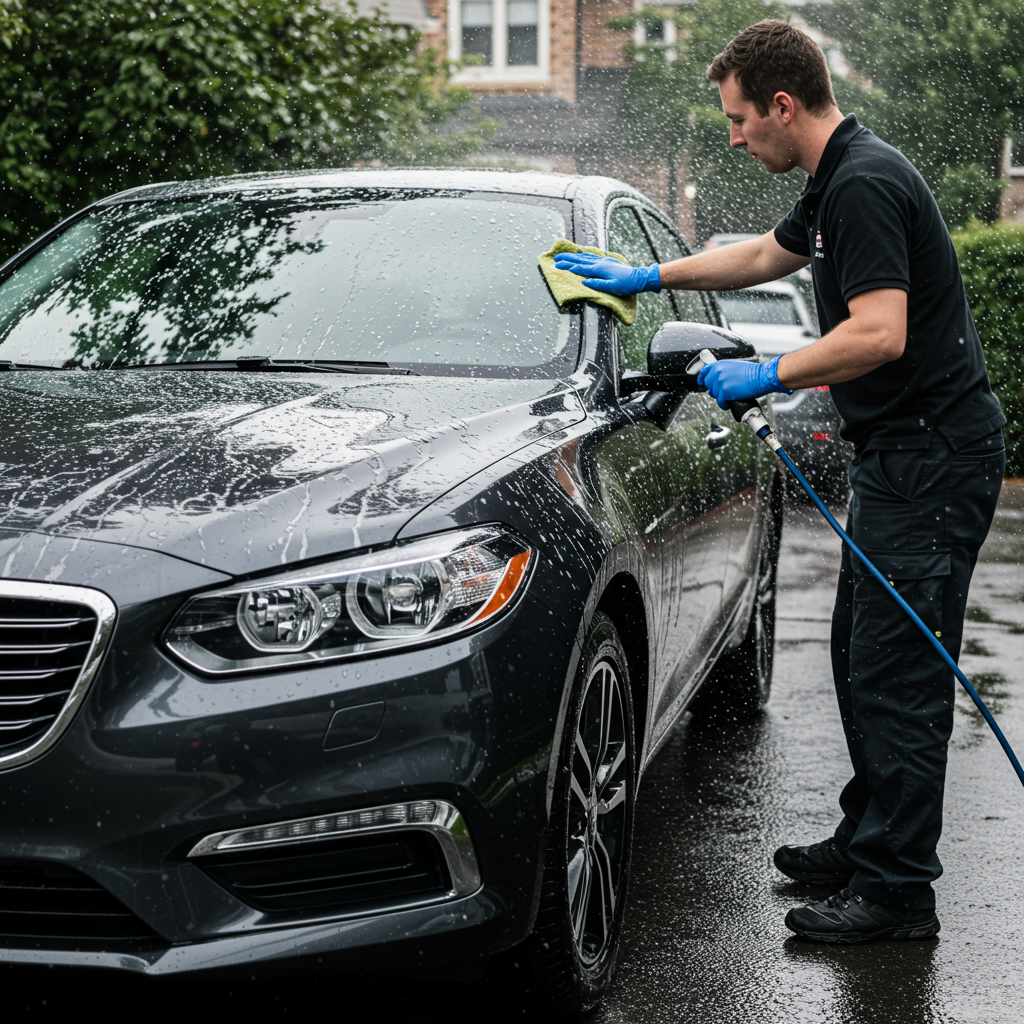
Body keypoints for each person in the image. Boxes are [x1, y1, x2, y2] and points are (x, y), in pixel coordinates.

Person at [555, 19, 1006, 943]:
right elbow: (765, 256)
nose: (732, 135)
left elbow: (880, 333)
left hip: (931, 460)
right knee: (857, 655)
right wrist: (648, 275)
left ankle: (896, 895)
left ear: (783, 105)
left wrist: (769, 371)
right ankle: (869, 836)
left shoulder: (867, 185)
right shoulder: (835, 180)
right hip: (903, 460)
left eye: (737, 119)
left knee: (898, 678)